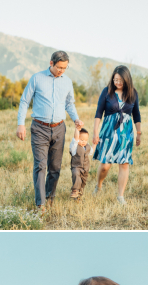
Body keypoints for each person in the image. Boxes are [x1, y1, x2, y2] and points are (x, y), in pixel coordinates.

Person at [16, 51, 80, 210]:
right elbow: (24, 101)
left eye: (65, 68)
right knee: (40, 166)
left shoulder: (67, 82)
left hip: (59, 128)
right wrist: (20, 124)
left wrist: (76, 118)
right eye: (59, 67)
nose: (62, 71)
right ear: (51, 63)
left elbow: (69, 104)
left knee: (55, 168)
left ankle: (50, 197)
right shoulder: (37, 78)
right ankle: (40, 204)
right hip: (39, 128)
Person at [93, 67, 141, 205]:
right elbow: (98, 113)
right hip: (108, 132)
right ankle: (99, 186)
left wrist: (138, 133)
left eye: (120, 80)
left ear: (127, 79)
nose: (117, 82)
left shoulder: (133, 93)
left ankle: (120, 196)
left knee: (124, 164)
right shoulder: (107, 91)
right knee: (105, 166)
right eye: (115, 80)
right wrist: (95, 131)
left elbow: (136, 115)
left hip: (126, 134)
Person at [69, 125, 92, 200]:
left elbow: (91, 151)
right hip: (76, 167)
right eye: (81, 139)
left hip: (85, 168)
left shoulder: (87, 146)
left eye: (85, 140)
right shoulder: (74, 146)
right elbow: (75, 139)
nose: (83, 142)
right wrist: (77, 129)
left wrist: (95, 143)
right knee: (76, 175)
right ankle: (75, 190)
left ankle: (79, 195)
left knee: (83, 183)